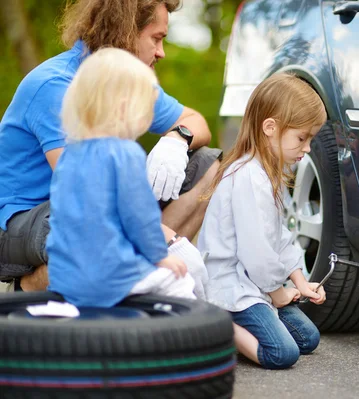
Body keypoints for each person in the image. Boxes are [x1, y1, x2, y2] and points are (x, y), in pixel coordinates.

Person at [0, 0, 220, 292]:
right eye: (156, 38)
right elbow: (87, 190)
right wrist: (167, 240)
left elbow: (195, 121)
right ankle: (27, 289)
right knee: (93, 221)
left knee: (207, 165)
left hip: (90, 202)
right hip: (24, 223)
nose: (161, 52)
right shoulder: (56, 84)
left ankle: (139, 279)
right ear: (127, 32)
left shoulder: (129, 82)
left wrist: (177, 139)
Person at [47, 48, 207, 307]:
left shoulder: (69, 155)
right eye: (147, 109)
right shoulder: (125, 153)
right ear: (125, 108)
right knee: (183, 280)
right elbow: (140, 217)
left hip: (65, 280)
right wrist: (159, 256)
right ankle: (193, 342)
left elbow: (62, 217)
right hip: (112, 278)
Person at [197, 73, 327, 370]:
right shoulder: (248, 178)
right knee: (282, 353)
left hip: (256, 284)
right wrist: (278, 293)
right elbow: (256, 252)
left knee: (308, 339)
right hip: (231, 286)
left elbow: (279, 235)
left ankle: (256, 315)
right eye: (302, 138)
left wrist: (299, 281)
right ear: (271, 128)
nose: (307, 148)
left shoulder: (269, 173)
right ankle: (219, 325)